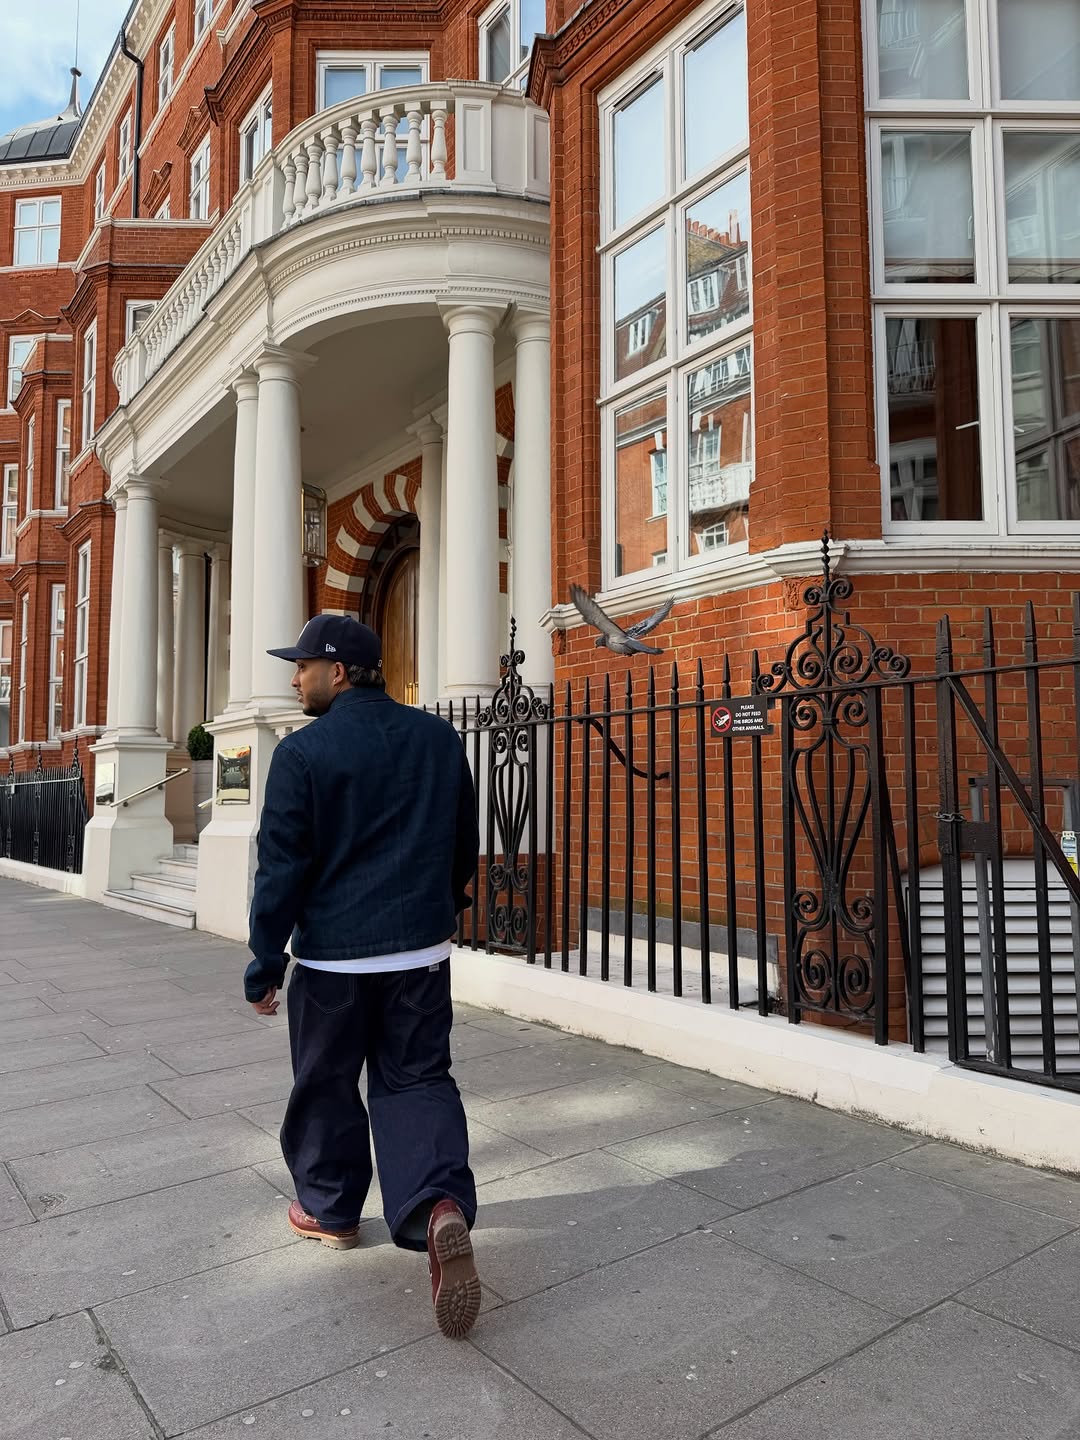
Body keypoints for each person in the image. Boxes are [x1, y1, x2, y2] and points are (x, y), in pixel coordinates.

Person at [244, 613, 482, 1339]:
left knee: (325, 1082)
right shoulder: (440, 740)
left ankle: (331, 1210)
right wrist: (449, 907)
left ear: (339, 671)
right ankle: (436, 1204)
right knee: (418, 1080)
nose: (294, 676)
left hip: (332, 961)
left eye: (304, 665)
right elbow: (462, 841)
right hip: (418, 952)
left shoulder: (303, 754)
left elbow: (282, 869)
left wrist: (264, 960)